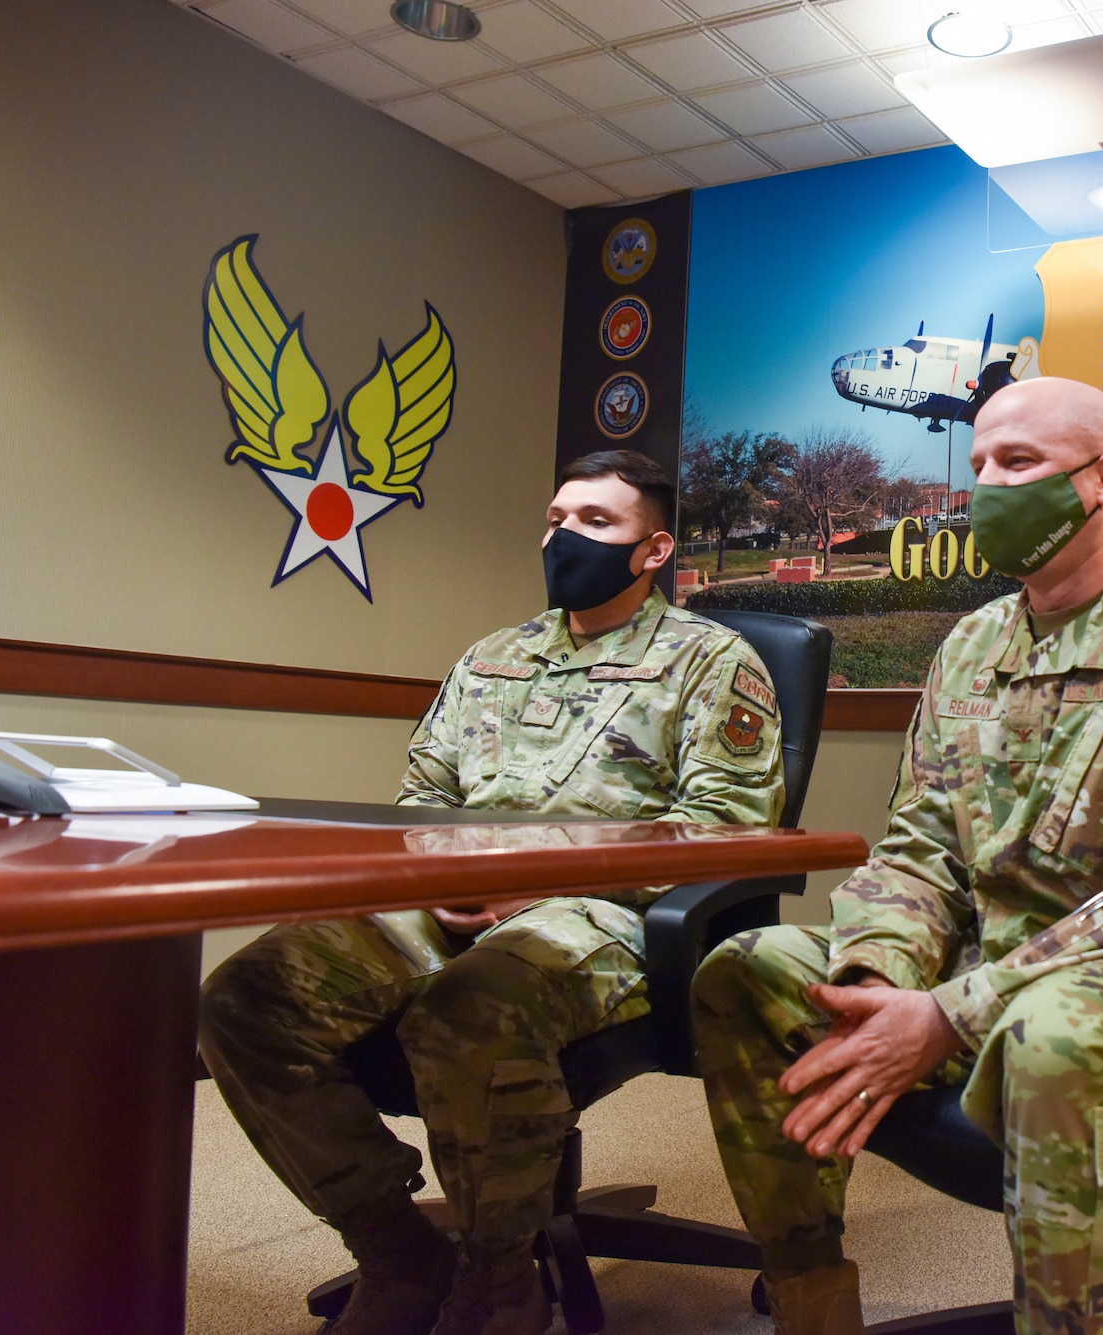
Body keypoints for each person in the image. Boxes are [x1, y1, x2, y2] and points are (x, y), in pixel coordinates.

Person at [692, 376, 1103, 1335]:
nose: (987, 485)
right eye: (978, 462)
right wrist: (877, 983)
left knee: (1056, 1034)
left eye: (1017, 463)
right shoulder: (973, 643)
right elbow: (919, 849)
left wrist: (947, 1013)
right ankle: (810, 1295)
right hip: (991, 965)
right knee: (748, 971)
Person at [198, 451, 785, 1335]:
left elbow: (726, 826)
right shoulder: (493, 656)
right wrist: (445, 874)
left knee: (469, 1010)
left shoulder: (711, 661)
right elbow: (422, 792)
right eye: (556, 518)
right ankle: (397, 1249)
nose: (563, 536)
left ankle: (498, 1281)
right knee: (246, 999)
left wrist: (530, 884)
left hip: (602, 910)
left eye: (595, 521)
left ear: (653, 548)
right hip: (448, 896)